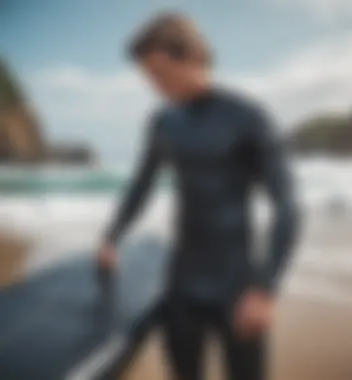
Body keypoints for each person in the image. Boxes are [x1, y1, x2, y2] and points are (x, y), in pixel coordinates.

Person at [98, 12, 299, 380]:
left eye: (160, 74)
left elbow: (287, 206)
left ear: (191, 56)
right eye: (148, 77)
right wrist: (111, 237)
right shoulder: (163, 123)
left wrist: (265, 289)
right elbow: (141, 186)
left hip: (238, 288)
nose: (154, 86)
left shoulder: (247, 117)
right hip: (180, 285)